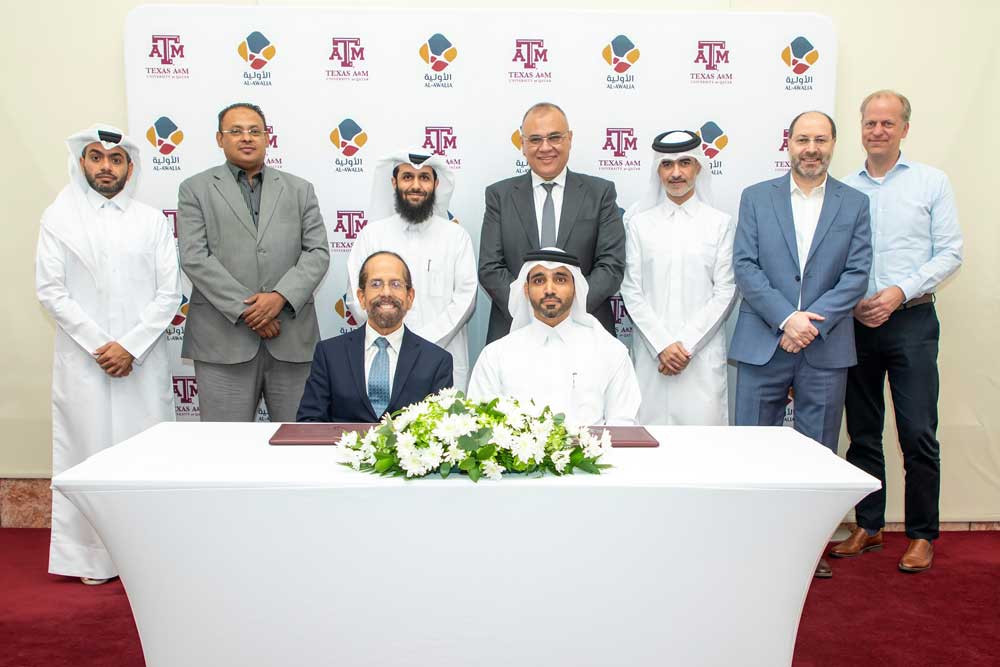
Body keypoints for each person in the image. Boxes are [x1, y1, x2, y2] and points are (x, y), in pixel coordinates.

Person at [36, 124, 182, 585]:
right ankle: (92, 559)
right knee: (90, 452)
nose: (105, 166)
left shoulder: (151, 221)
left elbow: (169, 293)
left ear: (129, 167)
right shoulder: (58, 220)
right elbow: (51, 291)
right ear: (82, 163)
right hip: (86, 363)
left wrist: (130, 346)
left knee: (146, 456)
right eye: (96, 157)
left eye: (115, 159)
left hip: (140, 362)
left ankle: (152, 556)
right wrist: (103, 345)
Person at [729, 111, 872, 579]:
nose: (811, 148)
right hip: (763, 341)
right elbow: (746, 266)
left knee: (817, 452)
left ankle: (806, 553)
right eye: (803, 139)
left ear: (833, 144)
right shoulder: (756, 197)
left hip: (825, 346)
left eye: (821, 140)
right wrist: (787, 319)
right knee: (751, 448)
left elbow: (856, 274)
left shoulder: (854, 203)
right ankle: (749, 545)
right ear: (788, 143)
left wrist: (811, 323)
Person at [829, 91, 963, 573]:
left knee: (918, 432)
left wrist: (899, 292)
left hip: (911, 320)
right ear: (860, 129)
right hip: (857, 323)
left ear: (905, 129)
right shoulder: (843, 189)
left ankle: (923, 533)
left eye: (888, 123)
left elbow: (950, 252)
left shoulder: (931, 183)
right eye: (870, 123)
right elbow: (834, 260)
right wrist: (857, 302)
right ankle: (868, 525)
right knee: (863, 432)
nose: (878, 131)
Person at [177, 102, 330, 422]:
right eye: (236, 131)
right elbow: (194, 257)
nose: (246, 138)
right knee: (225, 450)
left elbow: (317, 253)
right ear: (219, 139)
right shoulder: (195, 189)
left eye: (254, 131)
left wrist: (279, 298)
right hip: (222, 342)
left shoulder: (300, 190)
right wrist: (251, 310)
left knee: (298, 443)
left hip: (290, 338)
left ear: (267, 138)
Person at [478, 102, 626, 343]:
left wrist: (567, 310)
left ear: (569, 139)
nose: (545, 147)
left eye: (554, 137)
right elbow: (490, 268)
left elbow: (611, 266)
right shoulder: (499, 196)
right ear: (523, 145)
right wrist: (532, 311)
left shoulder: (600, 193)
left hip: (586, 333)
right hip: (515, 332)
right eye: (535, 139)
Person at [620, 130, 737, 425]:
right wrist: (662, 345)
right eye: (667, 164)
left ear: (698, 167)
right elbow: (631, 290)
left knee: (704, 454)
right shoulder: (639, 224)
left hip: (700, 358)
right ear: (657, 170)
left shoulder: (719, 224)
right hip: (652, 359)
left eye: (684, 163)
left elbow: (725, 291)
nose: (676, 173)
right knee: (649, 448)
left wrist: (684, 346)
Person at [346, 149, 476, 391]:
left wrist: (419, 344)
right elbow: (356, 296)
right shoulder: (372, 235)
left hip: (442, 355)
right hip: (384, 356)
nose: (416, 185)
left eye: (424, 178)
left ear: (436, 184)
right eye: (407, 177)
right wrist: (394, 338)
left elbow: (465, 299)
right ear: (394, 182)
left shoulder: (456, 237)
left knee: (444, 427)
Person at [468, 248, 640, 425]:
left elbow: (624, 425)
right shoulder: (495, 356)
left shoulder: (610, 352)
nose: (549, 289)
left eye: (560, 279)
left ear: (575, 288)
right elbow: (480, 426)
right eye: (539, 280)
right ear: (526, 290)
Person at [298, 251, 453, 422]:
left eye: (395, 284)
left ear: (410, 297)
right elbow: (309, 422)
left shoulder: (437, 361)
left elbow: (440, 432)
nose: (386, 292)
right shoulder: (329, 354)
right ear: (361, 297)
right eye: (376, 284)